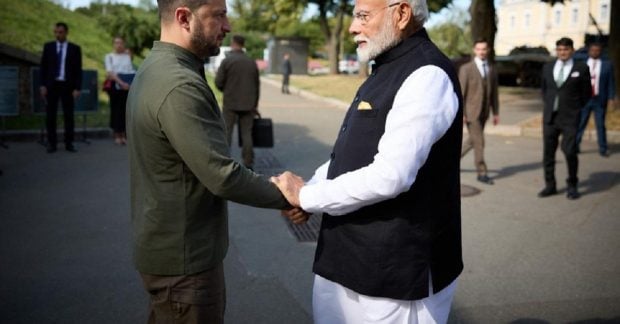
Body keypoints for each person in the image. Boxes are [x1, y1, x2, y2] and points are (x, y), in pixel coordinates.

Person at [272, 0, 464, 322]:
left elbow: (390, 175)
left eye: (362, 16)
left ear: (401, 14)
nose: (351, 27)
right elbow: (351, 155)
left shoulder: (426, 74)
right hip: (346, 260)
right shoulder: (387, 66)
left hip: (393, 276)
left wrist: (306, 196)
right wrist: (310, 189)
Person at [126, 1, 300, 323]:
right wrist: (289, 195)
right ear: (184, 17)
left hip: (170, 248)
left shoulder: (159, 68)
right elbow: (222, 175)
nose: (228, 25)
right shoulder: (179, 84)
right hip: (184, 261)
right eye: (218, 15)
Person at [539, 37, 591, 200]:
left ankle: (572, 185)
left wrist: (575, 109)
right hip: (550, 118)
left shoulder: (581, 68)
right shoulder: (548, 67)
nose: (562, 52)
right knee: (548, 154)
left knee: (569, 151)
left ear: (572, 51)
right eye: (560, 49)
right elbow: (544, 90)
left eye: (566, 49)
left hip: (569, 118)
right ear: (557, 51)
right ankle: (550, 185)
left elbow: (586, 93)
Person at [215, 35, 259, 169]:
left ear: (233, 43)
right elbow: (257, 85)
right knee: (247, 134)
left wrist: (226, 90)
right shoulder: (251, 62)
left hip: (230, 102)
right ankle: (248, 163)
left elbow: (218, 82)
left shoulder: (227, 61)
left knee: (227, 133)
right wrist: (255, 104)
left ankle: (224, 163)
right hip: (248, 103)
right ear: (243, 44)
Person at [459, 38, 499, 185]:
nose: (481, 52)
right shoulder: (466, 69)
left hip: (484, 112)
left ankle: (449, 161)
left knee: (472, 141)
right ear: (474, 50)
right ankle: (482, 172)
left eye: (484, 49)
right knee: (479, 142)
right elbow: (461, 93)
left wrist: (496, 112)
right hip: (471, 112)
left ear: (487, 51)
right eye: (479, 49)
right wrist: (461, 113)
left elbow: (494, 93)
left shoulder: (492, 68)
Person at [39, 22, 82, 153]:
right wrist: (42, 85)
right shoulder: (48, 47)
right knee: (50, 116)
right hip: (52, 86)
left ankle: (69, 143)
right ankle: (52, 143)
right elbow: (43, 68)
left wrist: (77, 88)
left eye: (60, 32)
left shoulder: (74, 48)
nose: (58, 34)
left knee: (68, 116)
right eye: (56, 32)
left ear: (66, 32)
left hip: (67, 86)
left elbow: (78, 70)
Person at [576, 42, 616, 157]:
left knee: (600, 124)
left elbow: (611, 83)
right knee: (581, 122)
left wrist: (611, 97)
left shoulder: (607, 65)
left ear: (600, 51)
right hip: (585, 99)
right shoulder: (582, 64)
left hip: (599, 99)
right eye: (592, 50)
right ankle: (576, 145)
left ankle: (603, 148)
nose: (595, 52)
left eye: (597, 50)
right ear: (589, 51)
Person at [104, 36, 135, 145]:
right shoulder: (109, 56)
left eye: (121, 43)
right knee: (116, 110)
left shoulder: (127, 56)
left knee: (126, 110)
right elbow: (110, 73)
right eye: (116, 43)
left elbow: (130, 70)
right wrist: (121, 83)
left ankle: (125, 134)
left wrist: (128, 84)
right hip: (116, 86)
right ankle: (117, 134)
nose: (119, 45)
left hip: (127, 86)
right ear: (113, 44)